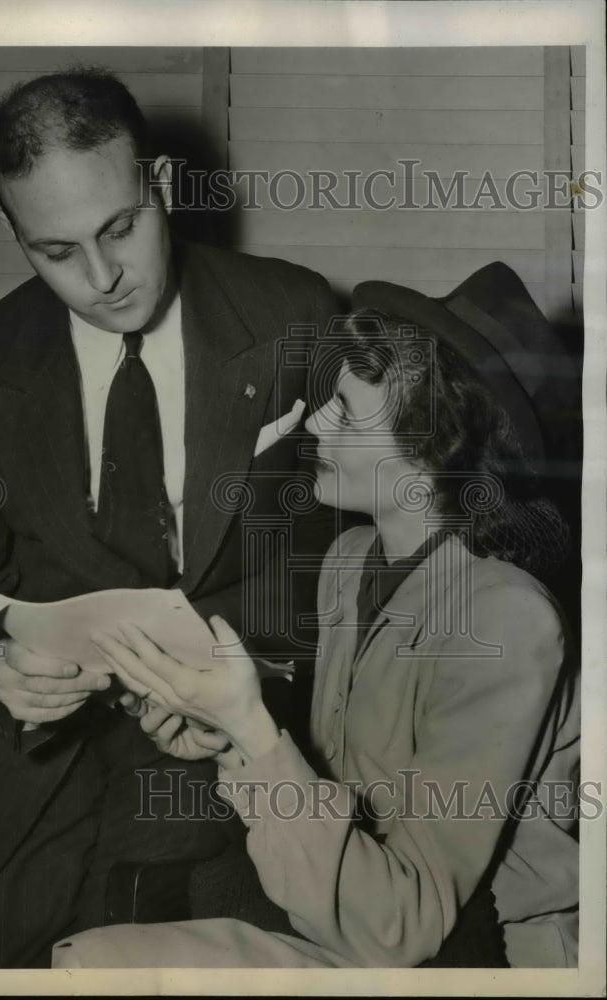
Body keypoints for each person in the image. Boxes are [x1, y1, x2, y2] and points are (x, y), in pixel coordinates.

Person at [0, 68, 342, 968]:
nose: (101, 278)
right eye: (57, 252)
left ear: (164, 188)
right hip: (51, 791)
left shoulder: (293, 315)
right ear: (13, 235)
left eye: (119, 229)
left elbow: (341, 562)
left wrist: (252, 689)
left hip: (248, 771)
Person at [59, 263, 581, 968]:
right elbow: (347, 797)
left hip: (480, 953)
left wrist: (251, 725)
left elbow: (405, 923)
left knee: (104, 968)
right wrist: (229, 740)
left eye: (344, 407)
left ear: (433, 443)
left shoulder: (506, 620)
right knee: (87, 956)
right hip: (353, 910)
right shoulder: (349, 560)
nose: (313, 421)